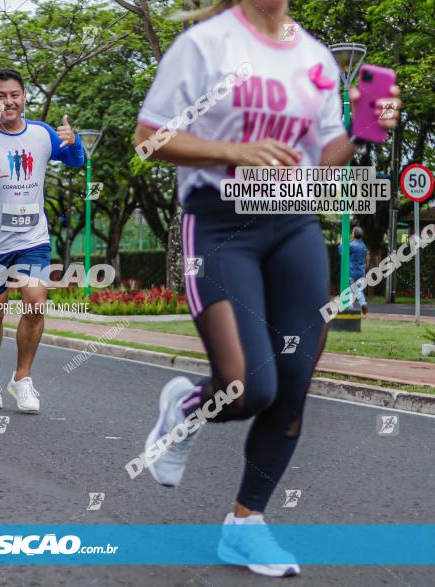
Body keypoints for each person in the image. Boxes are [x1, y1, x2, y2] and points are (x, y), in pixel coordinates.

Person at [132, 0, 402, 577]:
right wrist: (233, 151)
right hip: (219, 224)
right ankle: (183, 409)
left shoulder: (315, 58)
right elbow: (149, 141)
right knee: (248, 385)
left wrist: (362, 129)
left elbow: (322, 162)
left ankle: (246, 523)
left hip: (294, 221)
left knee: (294, 384)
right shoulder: (206, 45)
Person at [0, 69, 85, 414]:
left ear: (24, 97)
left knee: (36, 303)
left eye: (14, 95)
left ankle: (22, 379)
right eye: (0, 96)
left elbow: (76, 161)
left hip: (32, 236)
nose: (8, 102)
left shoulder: (42, 134)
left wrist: (75, 142)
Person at [340, 226, 368, 315]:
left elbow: (342, 252)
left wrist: (341, 243)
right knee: (357, 289)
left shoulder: (351, 245)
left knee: (351, 290)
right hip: (361, 271)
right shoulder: (363, 246)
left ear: (353, 234)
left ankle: (352, 307)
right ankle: (361, 303)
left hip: (351, 271)